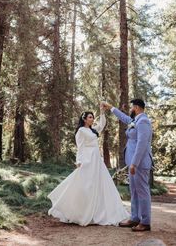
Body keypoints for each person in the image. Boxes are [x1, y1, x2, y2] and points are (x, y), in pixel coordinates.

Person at [47, 105, 129, 226]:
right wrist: (79, 161)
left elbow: (102, 125)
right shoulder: (81, 131)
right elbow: (79, 147)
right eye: (90, 117)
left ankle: (98, 211)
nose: (92, 119)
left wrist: (102, 112)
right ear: (84, 119)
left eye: (92, 117)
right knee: (86, 185)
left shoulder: (93, 130)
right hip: (88, 159)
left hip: (97, 160)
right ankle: (80, 211)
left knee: (99, 184)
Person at [102, 99, 153, 232]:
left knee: (142, 192)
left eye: (132, 107)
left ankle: (145, 222)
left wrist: (134, 163)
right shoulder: (135, 120)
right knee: (134, 191)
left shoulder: (143, 122)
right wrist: (111, 107)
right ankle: (135, 218)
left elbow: (142, 144)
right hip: (133, 163)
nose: (130, 110)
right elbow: (124, 118)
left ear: (136, 107)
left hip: (139, 164)